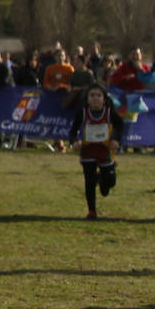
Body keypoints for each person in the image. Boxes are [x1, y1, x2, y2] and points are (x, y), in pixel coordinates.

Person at [68, 84, 124, 219]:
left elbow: (120, 125)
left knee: (110, 182)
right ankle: (92, 211)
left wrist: (116, 140)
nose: (95, 98)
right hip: (88, 151)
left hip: (105, 151)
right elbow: (73, 131)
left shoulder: (109, 113)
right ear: (87, 99)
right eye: (92, 95)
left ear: (104, 99)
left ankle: (102, 180)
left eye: (99, 95)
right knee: (89, 181)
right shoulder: (83, 113)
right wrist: (74, 142)